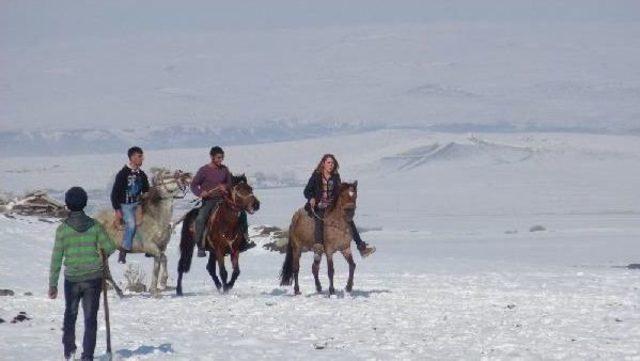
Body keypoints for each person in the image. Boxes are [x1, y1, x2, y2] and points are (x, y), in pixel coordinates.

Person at [48, 187, 117, 361]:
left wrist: (53, 284)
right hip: (93, 278)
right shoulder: (95, 226)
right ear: (85, 203)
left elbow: (56, 258)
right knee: (90, 319)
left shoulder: (62, 230)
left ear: (67, 205)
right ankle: (87, 357)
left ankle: (69, 352)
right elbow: (109, 247)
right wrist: (101, 255)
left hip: (72, 279)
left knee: (70, 316)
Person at [303, 154, 376, 257]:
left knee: (349, 220)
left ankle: (362, 248)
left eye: (332, 163)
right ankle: (318, 249)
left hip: (332, 206)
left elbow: (339, 192)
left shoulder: (336, 177)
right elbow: (306, 191)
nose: (331, 165)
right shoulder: (316, 176)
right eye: (328, 162)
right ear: (323, 163)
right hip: (319, 205)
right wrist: (311, 198)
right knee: (318, 220)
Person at [191, 146, 255, 257]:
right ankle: (200, 246)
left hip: (224, 199)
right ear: (212, 157)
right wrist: (201, 192)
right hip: (209, 200)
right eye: (218, 158)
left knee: (242, 214)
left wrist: (224, 186)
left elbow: (230, 184)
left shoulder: (224, 169)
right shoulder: (204, 170)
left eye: (222, 158)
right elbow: (193, 185)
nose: (220, 160)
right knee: (200, 218)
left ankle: (245, 240)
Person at [110, 146, 150, 264]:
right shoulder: (122, 174)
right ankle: (124, 250)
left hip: (138, 204)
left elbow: (146, 189)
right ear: (132, 157)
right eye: (139, 156)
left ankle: (148, 246)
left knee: (149, 221)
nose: (142, 159)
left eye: (142, 156)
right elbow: (114, 193)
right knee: (131, 225)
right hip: (125, 205)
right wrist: (117, 209)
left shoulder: (141, 174)